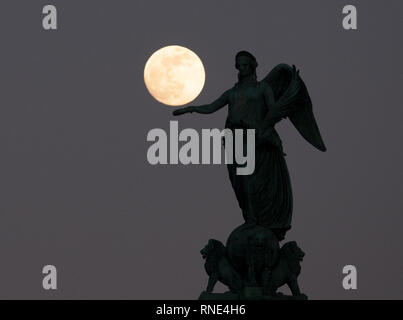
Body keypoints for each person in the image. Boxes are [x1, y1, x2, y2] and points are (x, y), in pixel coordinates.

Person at [173, 51, 325, 240]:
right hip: (233, 138)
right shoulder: (232, 92)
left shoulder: (262, 88)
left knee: (252, 179)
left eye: (245, 65)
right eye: (239, 65)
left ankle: (256, 218)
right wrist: (192, 108)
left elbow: (273, 110)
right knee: (239, 181)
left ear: (252, 66)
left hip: (254, 138)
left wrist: (288, 97)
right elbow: (212, 107)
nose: (242, 68)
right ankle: (249, 216)